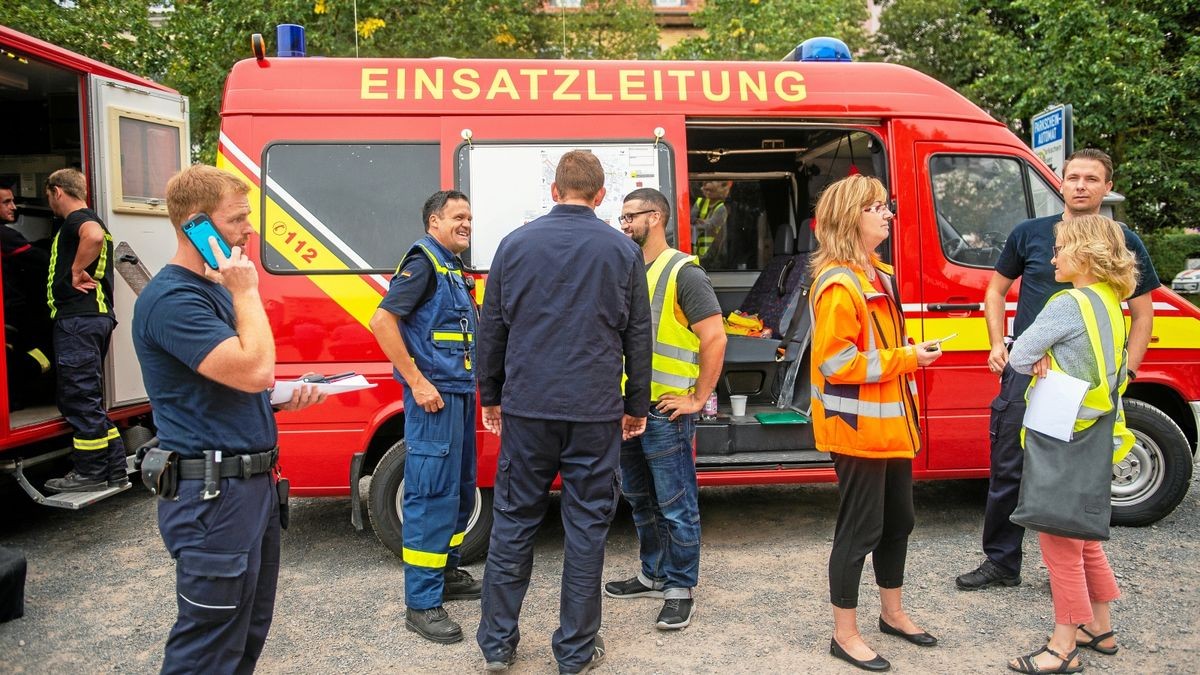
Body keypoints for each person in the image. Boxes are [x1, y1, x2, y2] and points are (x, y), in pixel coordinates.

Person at [133, 164, 325, 673]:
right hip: (211, 498)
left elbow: (234, 383)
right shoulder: (174, 298)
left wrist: (279, 399)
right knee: (208, 649)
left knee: (245, 637)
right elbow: (254, 367)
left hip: (249, 491)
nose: (248, 230)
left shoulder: (211, 288)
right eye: (237, 219)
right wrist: (245, 291)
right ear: (197, 225)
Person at [475, 150, 652, 674]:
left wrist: (490, 395)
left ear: (554, 191)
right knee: (586, 529)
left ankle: (497, 645)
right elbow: (637, 334)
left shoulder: (514, 245)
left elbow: (494, 329)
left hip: (529, 408)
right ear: (600, 196)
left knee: (512, 523)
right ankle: (574, 652)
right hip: (595, 411)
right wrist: (635, 404)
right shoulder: (622, 251)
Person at [956, 149, 1159, 591]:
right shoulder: (1029, 233)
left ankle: (1066, 569)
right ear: (1060, 183)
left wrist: (1128, 372)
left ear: (1107, 187)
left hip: (1080, 384)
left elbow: (1143, 314)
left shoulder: (1120, 238)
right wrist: (1000, 344)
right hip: (1028, 371)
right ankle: (1001, 563)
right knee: (1009, 467)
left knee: (1072, 477)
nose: (1081, 185)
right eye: (1073, 177)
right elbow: (995, 293)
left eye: (1092, 178)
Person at [808, 174, 943, 671]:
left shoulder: (875, 275)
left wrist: (906, 356)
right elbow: (835, 363)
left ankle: (893, 614)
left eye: (886, 207)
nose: (888, 215)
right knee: (859, 531)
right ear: (851, 219)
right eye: (877, 208)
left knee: (897, 523)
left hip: (889, 430)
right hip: (859, 433)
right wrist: (908, 358)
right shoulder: (841, 284)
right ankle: (845, 635)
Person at [1005, 214, 1135, 673]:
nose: (1053, 256)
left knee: (1059, 541)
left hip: (1062, 431)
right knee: (1082, 535)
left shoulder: (1068, 302)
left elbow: (1019, 355)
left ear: (1084, 253)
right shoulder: (1109, 300)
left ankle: (1063, 648)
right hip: (1096, 428)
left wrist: (1037, 356)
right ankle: (1100, 627)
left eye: (1060, 248)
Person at [604, 188, 726, 630]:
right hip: (629, 410)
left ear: (655, 218)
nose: (624, 225)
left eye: (629, 217)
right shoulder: (632, 270)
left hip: (666, 412)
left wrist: (696, 398)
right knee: (639, 499)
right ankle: (653, 573)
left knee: (675, 503)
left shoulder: (683, 272)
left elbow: (715, 337)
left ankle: (679, 587)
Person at [368, 190, 482, 645]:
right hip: (433, 402)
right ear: (434, 221)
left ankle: (447, 575)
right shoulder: (423, 262)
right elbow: (382, 321)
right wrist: (416, 381)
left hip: (458, 396)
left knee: (458, 492)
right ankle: (421, 604)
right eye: (458, 216)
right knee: (431, 495)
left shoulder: (451, 266)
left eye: (470, 217)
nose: (467, 224)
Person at [42, 169, 125, 493]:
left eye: (49, 195)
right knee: (89, 398)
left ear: (57, 191)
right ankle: (115, 468)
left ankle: (89, 472)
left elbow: (90, 235)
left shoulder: (79, 220)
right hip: (93, 320)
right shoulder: (90, 219)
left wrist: (76, 270)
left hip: (78, 321)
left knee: (78, 399)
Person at [1, 184, 53, 410]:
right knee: (48, 352)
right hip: (12, 316)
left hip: (13, 315)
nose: (14, 207)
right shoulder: (5, 235)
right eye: (6, 202)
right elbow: (40, 261)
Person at [691, 180, 731, 263]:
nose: (707, 193)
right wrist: (701, 222)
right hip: (697, 249)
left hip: (713, 250)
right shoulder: (700, 202)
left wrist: (698, 222)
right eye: (706, 190)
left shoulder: (721, 208)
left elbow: (709, 226)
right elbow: (691, 219)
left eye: (710, 190)